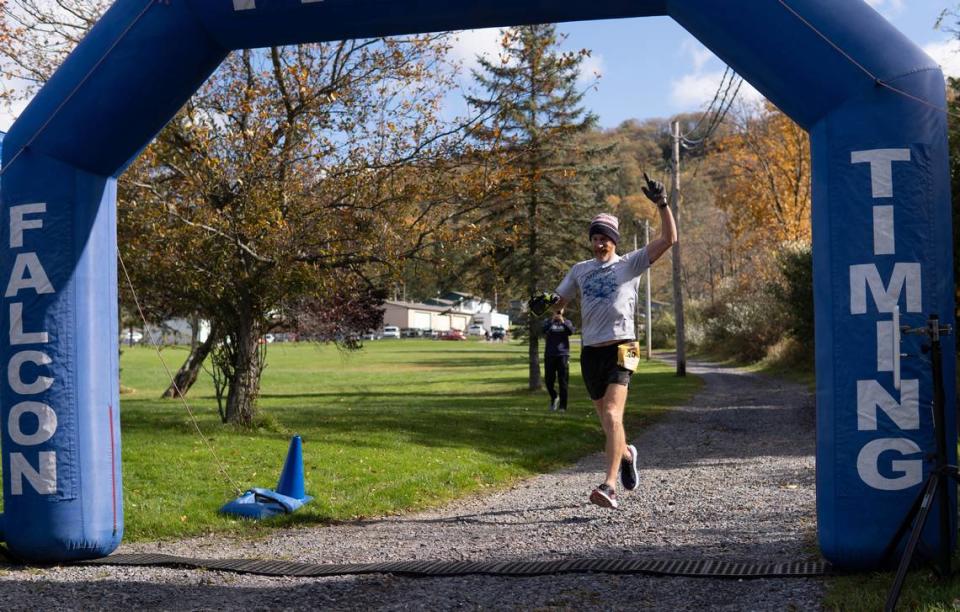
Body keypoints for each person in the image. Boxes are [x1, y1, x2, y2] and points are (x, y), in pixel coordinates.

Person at [551, 173, 677, 509]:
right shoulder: (580, 270)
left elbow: (669, 238)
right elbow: (559, 300)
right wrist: (549, 306)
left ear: (614, 241)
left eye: (604, 239)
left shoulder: (630, 263)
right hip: (591, 352)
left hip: (625, 347)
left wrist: (662, 204)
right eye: (594, 239)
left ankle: (608, 486)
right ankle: (627, 454)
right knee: (608, 422)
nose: (599, 244)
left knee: (612, 414)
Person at [542, 309, 574, 412]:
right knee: (548, 380)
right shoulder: (548, 321)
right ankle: (554, 396)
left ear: (563, 311)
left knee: (563, 381)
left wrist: (563, 322)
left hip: (563, 355)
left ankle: (562, 406)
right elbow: (543, 330)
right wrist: (552, 321)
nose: (557, 313)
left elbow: (571, 331)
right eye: (555, 311)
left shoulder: (567, 322)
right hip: (550, 355)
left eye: (559, 311)